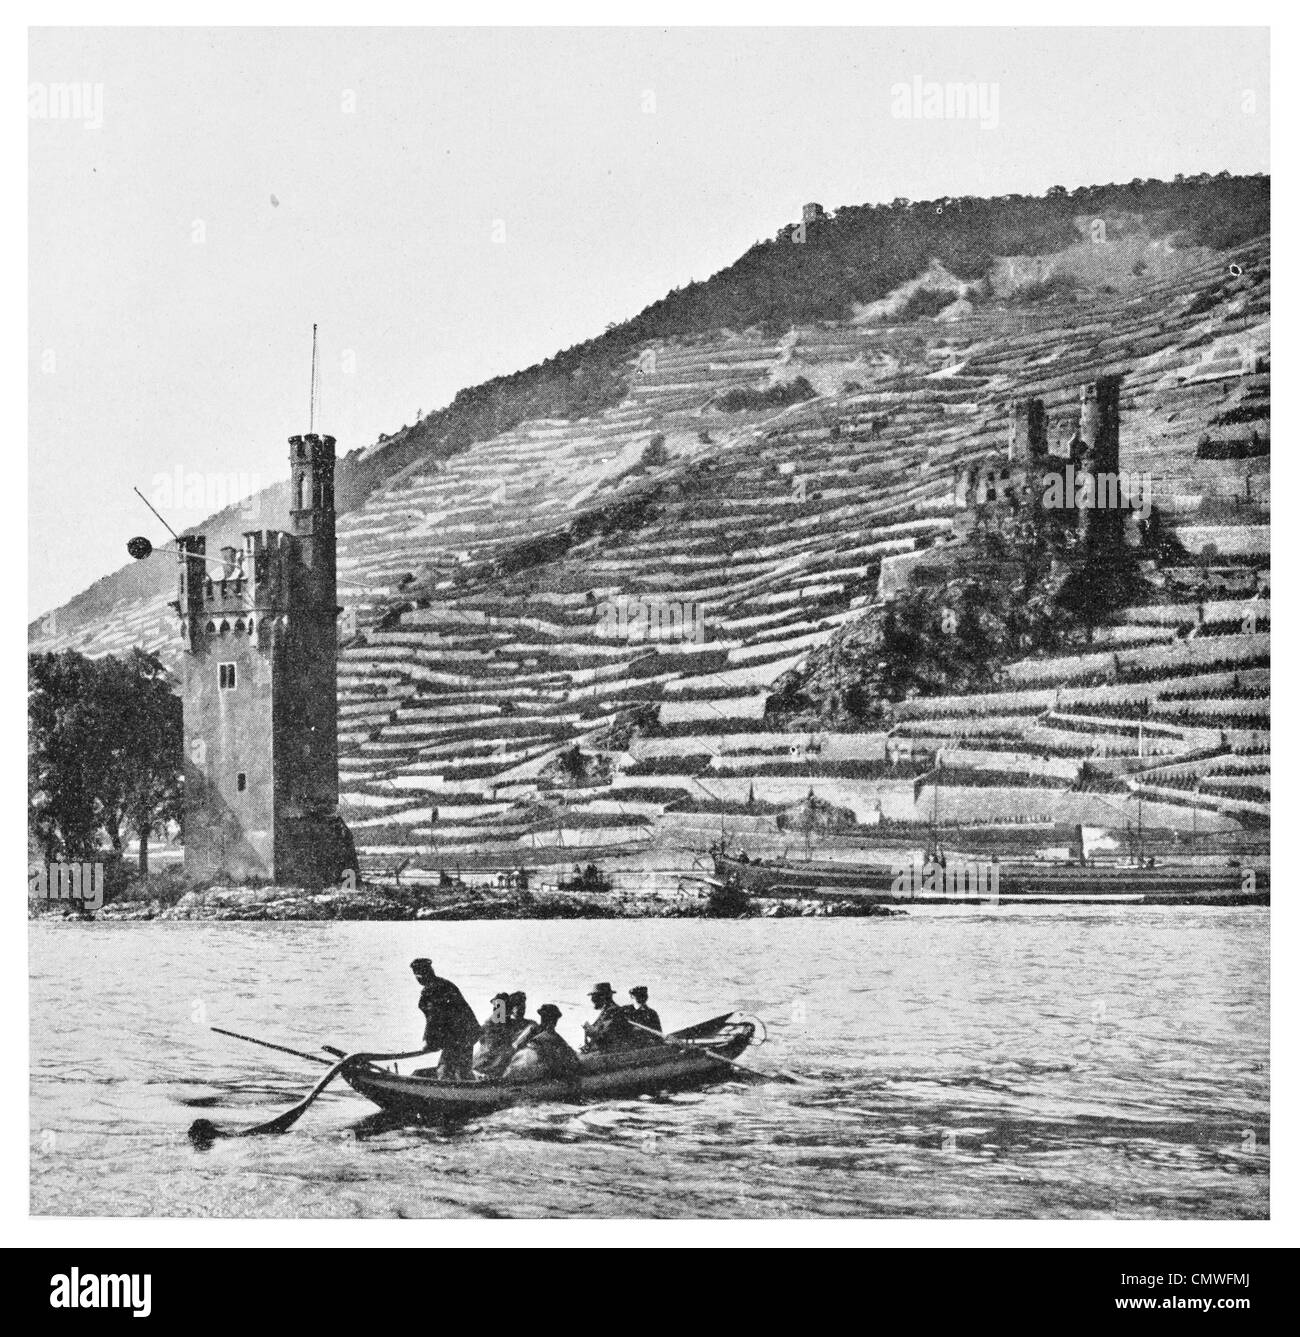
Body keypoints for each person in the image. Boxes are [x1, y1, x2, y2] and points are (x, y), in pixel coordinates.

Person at [410, 958, 480, 1080]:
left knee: (447, 1071)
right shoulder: (444, 984)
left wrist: (430, 1042)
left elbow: (434, 1019)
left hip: (459, 1036)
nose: (418, 978)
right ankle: (469, 1090)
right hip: (466, 1034)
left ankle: (463, 1093)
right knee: (461, 1070)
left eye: (418, 975)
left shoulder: (432, 990)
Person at [502, 1004, 581, 1083]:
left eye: (553, 1018)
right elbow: (517, 1045)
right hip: (529, 1059)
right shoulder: (533, 1029)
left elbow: (568, 1053)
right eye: (550, 1018)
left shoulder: (554, 1036)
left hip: (539, 1064)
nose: (553, 1021)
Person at [582, 982, 639, 1053]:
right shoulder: (607, 1012)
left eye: (594, 997)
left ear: (603, 997)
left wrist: (591, 1032)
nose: (592, 1000)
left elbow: (606, 1038)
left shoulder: (613, 1012)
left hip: (611, 1054)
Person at [473, 991, 515, 1077]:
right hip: (490, 1053)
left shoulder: (506, 1021)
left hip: (498, 1053)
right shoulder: (492, 1021)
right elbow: (483, 1037)